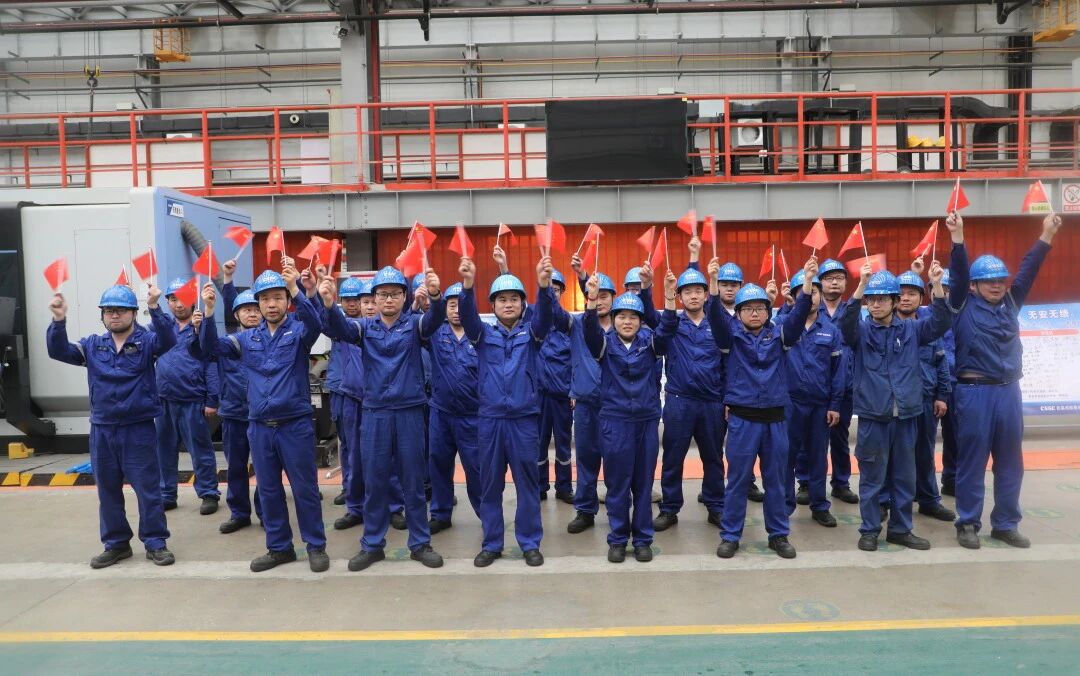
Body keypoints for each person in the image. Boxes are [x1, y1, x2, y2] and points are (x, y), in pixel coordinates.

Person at [198, 263, 329, 573]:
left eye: (278, 298)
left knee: (305, 489)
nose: (271, 304)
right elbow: (211, 348)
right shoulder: (246, 339)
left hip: (294, 425)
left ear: (287, 301)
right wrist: (209, 312)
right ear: (257, 303)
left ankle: (315, 546)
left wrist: (297, 288)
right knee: (269, 491)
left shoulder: (299, 332)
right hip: (259, 427)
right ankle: (279, 548)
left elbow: (317, 322)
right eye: (265, 299)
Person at [947, 211, 1063, 549]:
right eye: (988, 281)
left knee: (1011, 461)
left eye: (1000, 279)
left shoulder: (1011, 302)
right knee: (972, 461)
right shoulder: (961, 304)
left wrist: (1047, 235)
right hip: (974, 392)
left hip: (1009, 391)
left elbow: (1028, 269)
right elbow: (958, 272)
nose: (997, 285)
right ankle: (967, 523)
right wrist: (958, 237)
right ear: (974, 285)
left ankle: (1006, 523)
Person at [318, 265, 445, 571]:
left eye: (395, 293)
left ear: (404, 297)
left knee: (413, 481)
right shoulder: (364, 328)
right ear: (373, 298)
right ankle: (372, 545)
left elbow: (435, 320)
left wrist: (436, 296)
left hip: (409, 412)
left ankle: (420, 543)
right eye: (383, 294)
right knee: (374, 481)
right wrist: (329, 304)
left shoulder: (414, 326)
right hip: (375, 413)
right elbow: (340, 329)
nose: (389, 299)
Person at [47, 283, 177, 568]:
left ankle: (155, 542)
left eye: (120, 310)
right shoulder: (93, 345)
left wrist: (155, 307)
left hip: (138, 429)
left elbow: (169, 339)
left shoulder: (147, 342)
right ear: (102, 316)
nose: (114, 315)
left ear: (133, 313)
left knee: (148, 490)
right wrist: (58, 319)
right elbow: (58, 351)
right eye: (108, 311)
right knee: (107, 490)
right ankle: (116, 544)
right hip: (103, 429)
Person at [709, 258, 817, 560]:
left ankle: (778, 534)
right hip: (742, 421)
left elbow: (798, 316)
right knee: (738, 482)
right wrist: (713, 283)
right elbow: (715, 316)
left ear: (768, 311)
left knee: (776, 482)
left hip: (775, 421)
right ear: (738, 313)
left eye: (759, 308)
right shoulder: (730, 338)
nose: (754, 313)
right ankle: (731, 535)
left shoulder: (780, 335)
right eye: (747, 309)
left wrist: (808, 282)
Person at [840, 262, 951, 552]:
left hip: (906, 416)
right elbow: (844, 325)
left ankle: (901, 530)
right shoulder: (861, 332)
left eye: (881, 299)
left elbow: (941, 322)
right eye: (871, 300)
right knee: (872, 478)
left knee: (905, 477)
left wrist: (936, 285)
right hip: (873, 417)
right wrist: (861, 286)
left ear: (893, 301)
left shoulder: (913, 330)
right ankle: (869, 530)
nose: (875, 305)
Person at [457, 254, 555, 568]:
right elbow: (467, 316)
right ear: (493, 305)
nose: (508, 304)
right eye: (502, 299)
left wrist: (544, 286)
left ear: (523, 304)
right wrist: (468, 285)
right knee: (490, 485)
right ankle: (492, 543)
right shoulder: (483, 335)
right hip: (491, 420)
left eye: (514, 299)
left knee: (528, 485)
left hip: (524, 421)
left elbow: (546, 315)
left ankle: (530, 543)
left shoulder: (532, 334)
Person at [583, 274, 677, 563]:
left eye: (633, 317)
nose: (627, 322)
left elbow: (668, 328)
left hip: (646, 422)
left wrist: (669, 297)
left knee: (643, 484)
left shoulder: (651, 343)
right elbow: (589, 331)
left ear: (640, 321)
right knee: (617, 485)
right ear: (613, 320)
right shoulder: (604, 344)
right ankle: (618, 539)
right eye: (621, 316)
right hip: (615, 422)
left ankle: (643, 539)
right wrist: (591, 300)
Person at [648, 260, 727, 532]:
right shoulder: (671, 323)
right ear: (679, 297)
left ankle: (716, 506)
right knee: (672, 458)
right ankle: (670, 508)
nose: (693, 296)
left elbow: (728, 364)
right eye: (687, 291)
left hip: (711, 402)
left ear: (706, 295)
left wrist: (727, 400)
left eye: (698, 291)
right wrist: (659, 292)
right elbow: (657, 332)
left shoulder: (718, 324)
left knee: (713, 457)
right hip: (679, 401)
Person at [781, 269, 844, 528]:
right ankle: (784, 506)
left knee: (819, 457)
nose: (810, 297)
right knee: (786, 457)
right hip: (790, 404)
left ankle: (819, 506)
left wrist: (835, 405)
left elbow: (838, 371)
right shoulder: (784, 326)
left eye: (814, 292)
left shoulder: (831, 331)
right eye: (804, 293)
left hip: (820, 405)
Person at [156, 276, 221, 515]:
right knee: (164, 451)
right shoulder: (162, 329)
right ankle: (166, 495)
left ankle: (209, 493)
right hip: (163, 401)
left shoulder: (202, 327)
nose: (178, 304)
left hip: (193, 400)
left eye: (183, 298)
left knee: (200, 451)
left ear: (193, 300)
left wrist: (212, 399)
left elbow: (211, 363)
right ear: (167, 302)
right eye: (173, 299)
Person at [895, 270, 956, 523]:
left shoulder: (929, 328)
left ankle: (929, 500)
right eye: (901, 294)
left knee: (924, 453)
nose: (905, 298)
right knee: (895, 455)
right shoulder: (884, 327)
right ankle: (888, 501)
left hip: (925, 400)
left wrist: (941, 395)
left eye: (912, 294)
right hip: (896, 404)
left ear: (922, 298)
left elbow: (941, 362)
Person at [564, 268, 620, 535]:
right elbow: (551, 313)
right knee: (586, 461)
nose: (600, 300)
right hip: (586, 406)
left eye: (605, 296)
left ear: (613, 298)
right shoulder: (576, 325)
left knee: (616, 461)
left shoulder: (624, 325)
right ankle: (585, 510)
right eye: (595, 295)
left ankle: (617, 510)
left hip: (615, 407)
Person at [425, 282, 482, 533]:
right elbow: (412, 320)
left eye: (462, 305)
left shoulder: (481, 335)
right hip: (441, 414)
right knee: (438, 464)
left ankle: (486, 515)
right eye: (451, 305)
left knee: (476, 468)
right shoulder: (434, 334)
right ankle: (440, 514)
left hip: (473, 416)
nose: (457, 310)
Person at [212, 259, 263, 534]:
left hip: (262, 414)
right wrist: (228, 280)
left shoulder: (270, 340)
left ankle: (266, 512)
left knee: (265, 468)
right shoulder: (229, 343)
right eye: (246, 310)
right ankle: (239, 513)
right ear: (237, 314)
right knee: (235, 467)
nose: (252, 314)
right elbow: (231, 304)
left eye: (256, 309)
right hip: (233, 413)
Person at [326, 277, 370, 532]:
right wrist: (317, 293)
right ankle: (350, 492)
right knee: (348, 447)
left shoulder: (372, 326)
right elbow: (321, 319)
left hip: (372, 396)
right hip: (343, 392)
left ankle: (388, 504)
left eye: (358, 300)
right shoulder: (338, 325)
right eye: (348, 300)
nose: (353, 304)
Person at [814, 258, 859, 505]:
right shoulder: (811, 309)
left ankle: (841, 483)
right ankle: (807, 484)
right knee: (812, 440)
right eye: (829, 278)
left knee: (840, 439)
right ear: (819, 283)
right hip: (816, 386)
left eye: (839, 278)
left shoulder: (853, 311)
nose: (834, 282)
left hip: (845, 387)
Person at [537, 269, 574, 503]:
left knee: (563, 444)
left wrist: (574, 391)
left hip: (562, 396)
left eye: (557, 290)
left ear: (562, 293)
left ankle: (564, 487)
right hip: (538, 396)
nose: (553, 293)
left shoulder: (569, 324)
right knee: (538, 444)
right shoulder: (533, 320)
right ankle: (539, 486)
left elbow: (576, 361)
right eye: (550, 289)